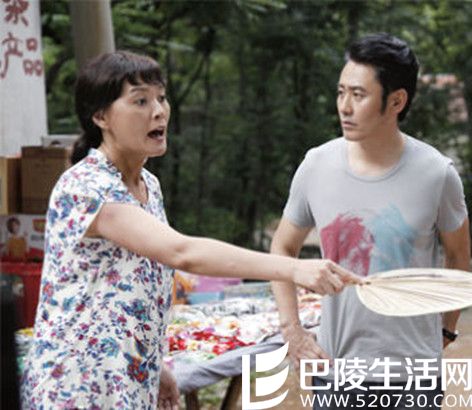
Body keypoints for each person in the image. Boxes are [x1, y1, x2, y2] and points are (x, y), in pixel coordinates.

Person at [20, 50, 360, 410]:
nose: (159, 111)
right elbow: (182, 252)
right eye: (140, 101)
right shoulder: (87, 186)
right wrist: (293, 268)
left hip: (124, 375)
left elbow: (136, 285)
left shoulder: (148, 185)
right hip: (79, 383)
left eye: (161, 98)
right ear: (101, 116)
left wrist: (154, 365)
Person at [271, 33, 470, 409]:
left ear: (396, 101)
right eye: (340, 93)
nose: (344, 107)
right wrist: (293, 331)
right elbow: (282, 247)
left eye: (358, 95)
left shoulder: (437, 174)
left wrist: (446, 329)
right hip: (337, 370)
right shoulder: (317, 166)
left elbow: (459, 257)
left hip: (413, 376)